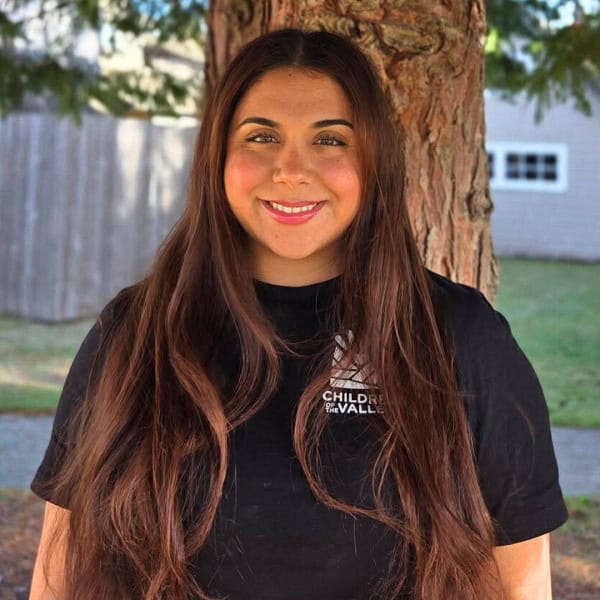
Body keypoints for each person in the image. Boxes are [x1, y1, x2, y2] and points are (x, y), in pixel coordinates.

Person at [29, 28, 567, 600]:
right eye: (261, 136)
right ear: (218, 155)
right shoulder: (135, 333)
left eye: (330, 139)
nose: (291, 169)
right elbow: (58, 575)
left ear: (374, 160)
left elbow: (521, 582)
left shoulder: (458, 337)